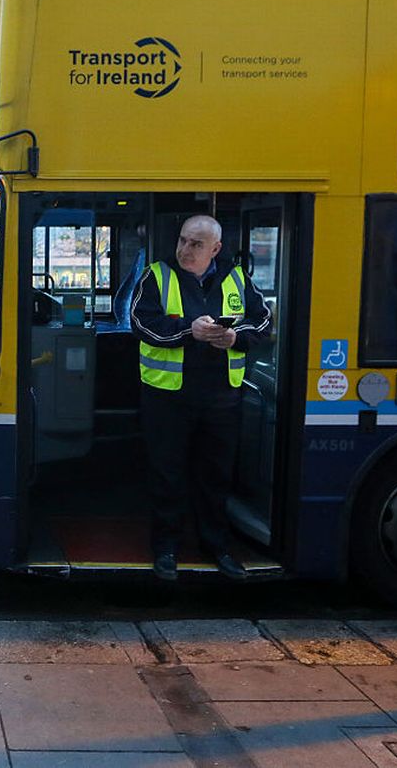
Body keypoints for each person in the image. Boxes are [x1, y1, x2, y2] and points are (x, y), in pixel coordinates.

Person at [130, 214, 272, 581]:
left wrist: (235, 338)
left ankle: (216, 547)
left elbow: (263, 322)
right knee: (167, 474)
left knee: (216, 475)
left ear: (216, 249)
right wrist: (187, 331)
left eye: (196, 244)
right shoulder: (157, 275)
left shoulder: (237, 277)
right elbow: (142, 324)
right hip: (168, 397)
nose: (185, 250)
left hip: (222, 397)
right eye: (182, 241)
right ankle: (165, 550)